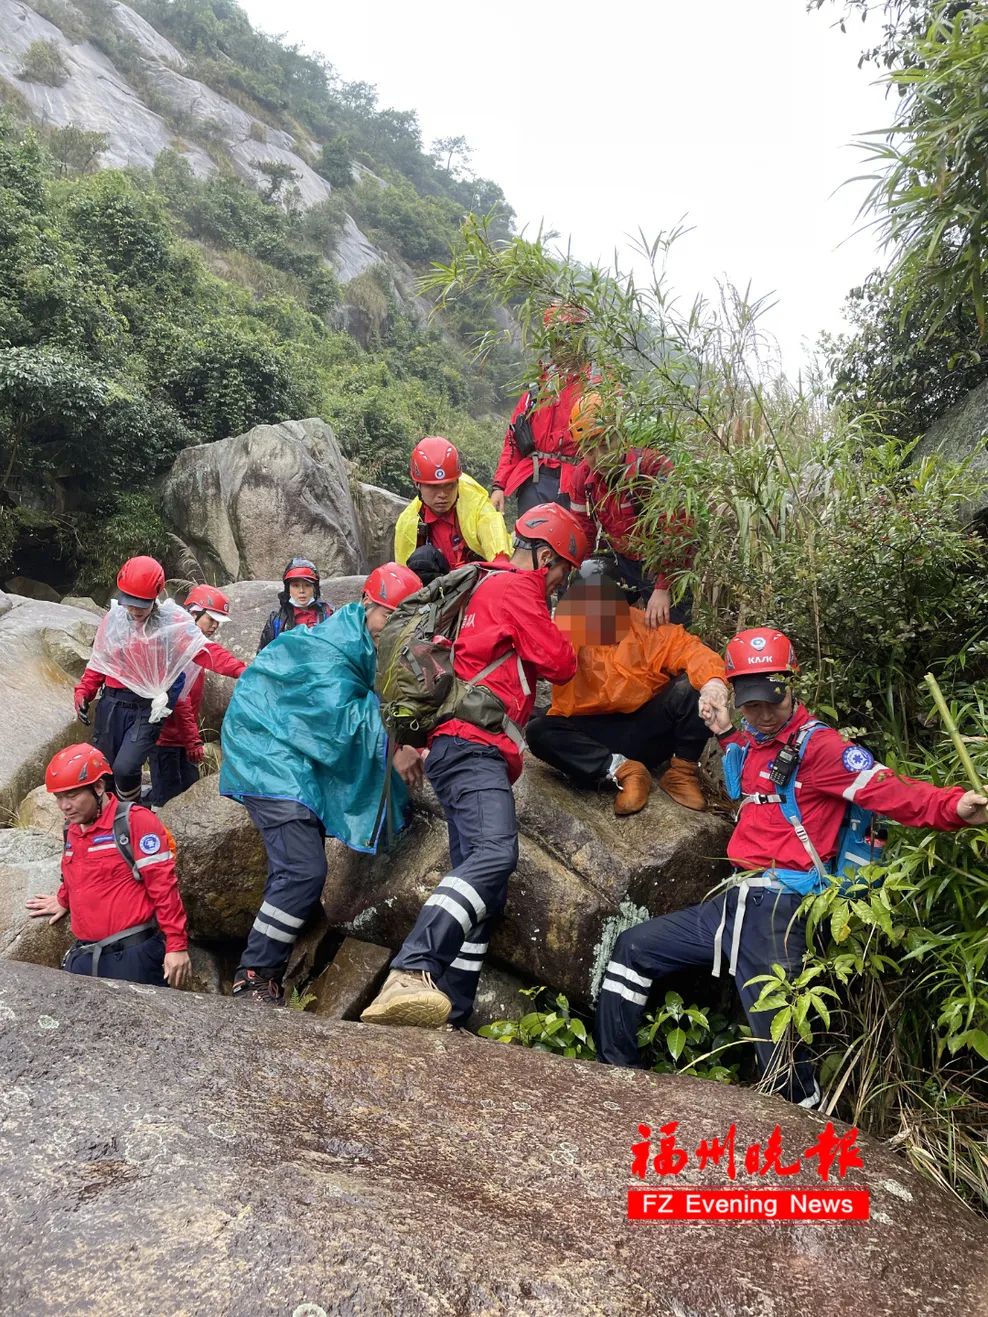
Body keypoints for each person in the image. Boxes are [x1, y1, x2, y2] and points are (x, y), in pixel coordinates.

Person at [594, 627, 988, 1104]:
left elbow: (890, 790)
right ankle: (617, 1080)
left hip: (779, 908)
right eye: (750, 703)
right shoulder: (753, 739)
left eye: (770, 702)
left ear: (790, 684)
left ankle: (808, 1134)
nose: (761, 714)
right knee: (633, 948)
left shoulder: (823, 749)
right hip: (735, 901)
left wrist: (955, 806)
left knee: (780, 1054)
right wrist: (723, 727)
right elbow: (748, 776)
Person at [361, 503, 589, 1031]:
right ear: (548, 557)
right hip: (472, 745)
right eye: (562, 573)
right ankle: (412, 967)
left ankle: (455, 1009)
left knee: (484, 890)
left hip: (455, 748)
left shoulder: (483, 585)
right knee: (494, 854)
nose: (559, 584)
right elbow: (560, 663)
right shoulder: (517, 588)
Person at [220, 563, 424, 1005]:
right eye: (389, 615)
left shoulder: (364, 643)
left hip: (288, 751)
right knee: (303, 870)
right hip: (266, 752)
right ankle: (254, 975)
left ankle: (270, 971)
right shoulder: (333, 646)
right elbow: (339, 721)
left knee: (300, 863)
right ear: (368, 605)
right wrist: (396, 748)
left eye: (404, 619)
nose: (394, 627)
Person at [527, 572, 729, 813]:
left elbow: (692, 650)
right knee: (539, 731)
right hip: (592, 735)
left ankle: (682, 773)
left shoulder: (646, 625)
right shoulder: (565, 630)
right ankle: (622, 770)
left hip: (647, 729)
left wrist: (713, 684)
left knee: (693, 687)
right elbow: (537, 657)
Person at [25, 744, 191, 987]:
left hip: (133, 956)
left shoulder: (136, 822)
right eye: (59, 797)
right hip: (86, 958)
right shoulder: (71, 829)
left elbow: (164, 887)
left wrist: (176, 945)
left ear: (99, 787)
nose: (64, 806)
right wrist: (63, 899)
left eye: (72, 795)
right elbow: (75, 871)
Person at [73, 556, 210, 802]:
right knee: (105, 770)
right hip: (112, 704)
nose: (134, 610)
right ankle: (114, 817)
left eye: (140, 605)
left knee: (126, 767)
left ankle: (131, 811)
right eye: (130, 604)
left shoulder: (166, 626)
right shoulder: (114, 620)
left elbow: (191, 664)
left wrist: (241, 671)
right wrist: (84, 692)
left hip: (144, 707)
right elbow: (100, 661)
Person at [569, 392, 693, 627]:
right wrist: (574, 578)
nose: (599, 458)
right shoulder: (583, 478)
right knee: (587, 581)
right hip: (623, 562)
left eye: (605, 446)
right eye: (589, 450)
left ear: (621, 436)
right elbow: (582, 531)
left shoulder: (653, 468)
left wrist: (663, 588)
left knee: (673, 631)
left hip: (665, 563)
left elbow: (680, 530)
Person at [490, 304, 596, 517]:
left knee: (573, 547)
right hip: (535, 480)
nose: (565, 342)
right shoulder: (537, 388)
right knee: (530, 545)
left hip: (579, 482)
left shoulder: (597, 387)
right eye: (559, 336)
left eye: (571, 334)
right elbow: (514, 437)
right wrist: (498, 486)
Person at [148, 586, 247, 807]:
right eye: (211, 619)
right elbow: (180, 700)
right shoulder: (177, 644)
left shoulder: (192, 643)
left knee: (186, 796)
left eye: (217, 622)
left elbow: (218, 658)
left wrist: (244, 671)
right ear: (194, 614)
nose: (214, 626)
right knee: (168, 802)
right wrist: (193, 741)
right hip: (167, 739)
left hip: (179, 737)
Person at [394, 435, 512, 585]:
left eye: (449, 486)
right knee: (422, 559)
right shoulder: (408, 523)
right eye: (433, 487)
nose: (442, 495)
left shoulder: (474, 502)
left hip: (479, 581)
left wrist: (500, 562)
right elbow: (402, 574)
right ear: (417, 485)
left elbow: (492, 526)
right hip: (438, 591)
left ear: (457, 482)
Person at [257, 557, 332, 652]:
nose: (301, 591)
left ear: (315, 588)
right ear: (288, 589)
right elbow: (263, 656)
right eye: (296, 586)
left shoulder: (330, 614)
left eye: (307, 585)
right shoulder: (276, 620)